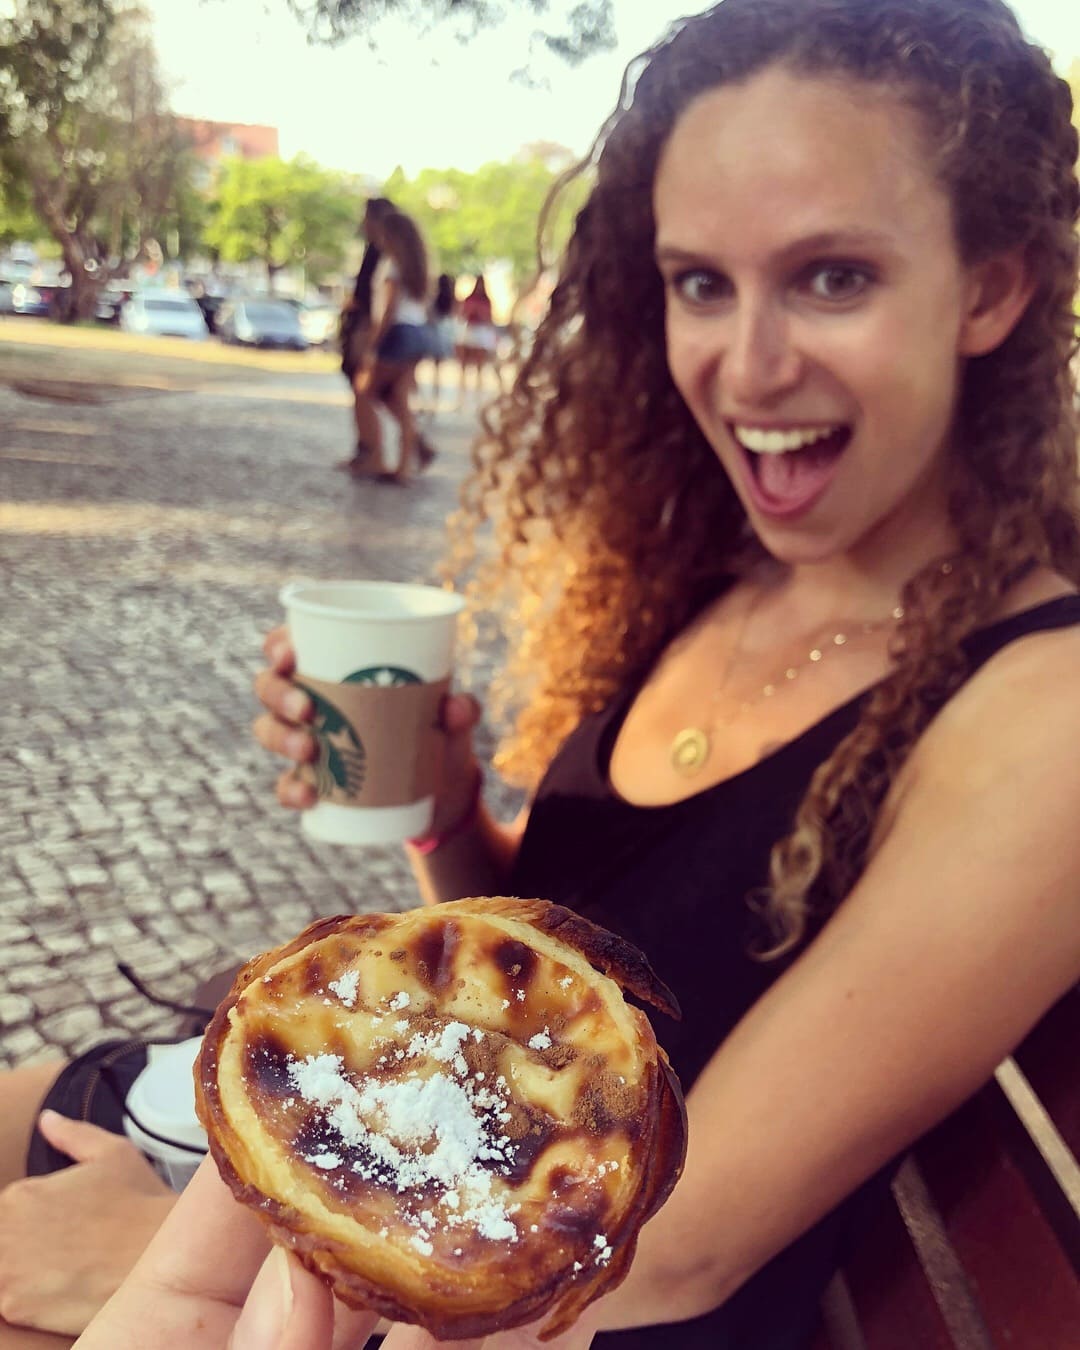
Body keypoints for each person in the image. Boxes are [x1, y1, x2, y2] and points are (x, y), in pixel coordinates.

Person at [9, 0, 1080, 1346]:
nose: (746, 365)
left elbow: (682, 1249)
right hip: (381, 1131)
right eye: (701, 281)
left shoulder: (1049, 717)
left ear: (992, 285)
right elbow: (559, 964)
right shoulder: (726, 569)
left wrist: (192, 1250)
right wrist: (446, 807)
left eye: (832, 277)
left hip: (467, 1273)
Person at [339, 200, 438, 483]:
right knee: (399, 399)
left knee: (363, 390)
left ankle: (375, 456)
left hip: (397, 334)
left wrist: (371, 344)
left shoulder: (391, 265)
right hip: (417, 334)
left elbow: (388, 311)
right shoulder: (416, 267)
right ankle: (406, 465)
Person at [455, 273, 497, 407]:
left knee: (480, 367)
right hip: (470, 332)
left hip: (481, 334)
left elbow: (490, 318)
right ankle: (461, 399)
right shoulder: (469, 299)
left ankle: (477, 399)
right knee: (464, 367)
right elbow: (462, 315)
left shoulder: (487, 301)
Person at [425, 272, 458, 412]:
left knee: (429, 370)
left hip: (434, 333)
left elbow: (429, 314)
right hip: (445, 334)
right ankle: (436, 398)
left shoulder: (433, 298)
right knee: (438, 370)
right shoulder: (451, 299)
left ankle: (430, 399)